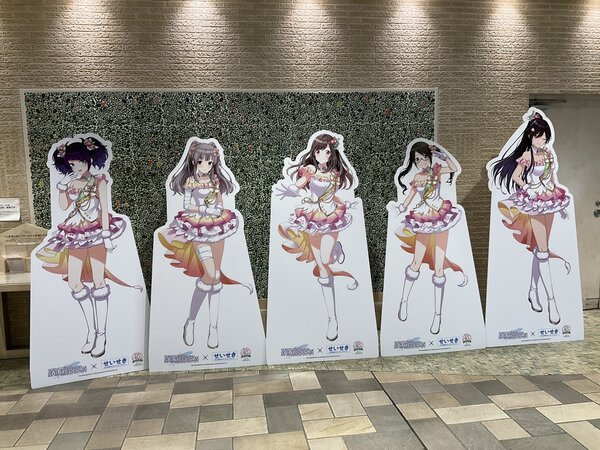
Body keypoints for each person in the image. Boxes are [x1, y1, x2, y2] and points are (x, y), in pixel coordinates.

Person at [36, 137, 128, 358]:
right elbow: (64, 206)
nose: (76, 167)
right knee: (74, 282)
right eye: (72, 163)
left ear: (88, 159)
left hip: (96, 231)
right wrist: (61, 189)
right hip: (76, 231)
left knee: (98, 282)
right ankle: (90, 331)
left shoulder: (99, 181)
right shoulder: (71, 183)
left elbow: (104, 208)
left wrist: (106, 234)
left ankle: (101, 334)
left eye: (80, 162)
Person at [159, 139, 251, 349]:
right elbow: (187, 205)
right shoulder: (190, 181)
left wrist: (216, 209)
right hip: (198, 226)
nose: (205, 166)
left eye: (209, 162)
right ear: (194, 160)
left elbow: (219, 202)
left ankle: (213, 327)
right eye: (201, 161)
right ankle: (191, 321)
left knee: (216, 277)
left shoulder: (215, 180)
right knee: (209, 274)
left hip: (216, 225)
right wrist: (204, 210)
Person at [276, 132, 358, 341]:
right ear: (314, 152)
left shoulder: (335, 173)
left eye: (327, 152)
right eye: (319, 151)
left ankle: (336, 248)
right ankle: (332, 318)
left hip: (331, 216)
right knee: (322, 268)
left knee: (325, 259)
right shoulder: (310, 169)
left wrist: (345, 203)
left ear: (332, 153)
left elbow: (336, 193)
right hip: (312, 216)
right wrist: (292, 189)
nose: (322, 155)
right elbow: (302, 182)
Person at [491, 112, 570, 325]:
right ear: (530, 136)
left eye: (544, 136)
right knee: (543, 251)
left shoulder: (549, 153)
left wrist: (560, 203)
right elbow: (516, 176)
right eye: (538, 136)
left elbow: (553, 179)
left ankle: (533, 290)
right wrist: (528, 188)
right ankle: (551, 302)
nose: (542, 140)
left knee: (541, 250)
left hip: (549, 199)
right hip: (534, 201)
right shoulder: (527, 155)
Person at [394, 140, 466, 335]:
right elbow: (410, 197)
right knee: (416, 262)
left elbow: (454, 168)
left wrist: (441, 154)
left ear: (429, 157)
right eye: (417, 160)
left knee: (439, 267)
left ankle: (437, 315)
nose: (421, 162)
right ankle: (404, 301)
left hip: (441, 215)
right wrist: (400, 208)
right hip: (423, 216)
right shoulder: (417, 177)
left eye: (424, 158)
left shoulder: (436, 170)